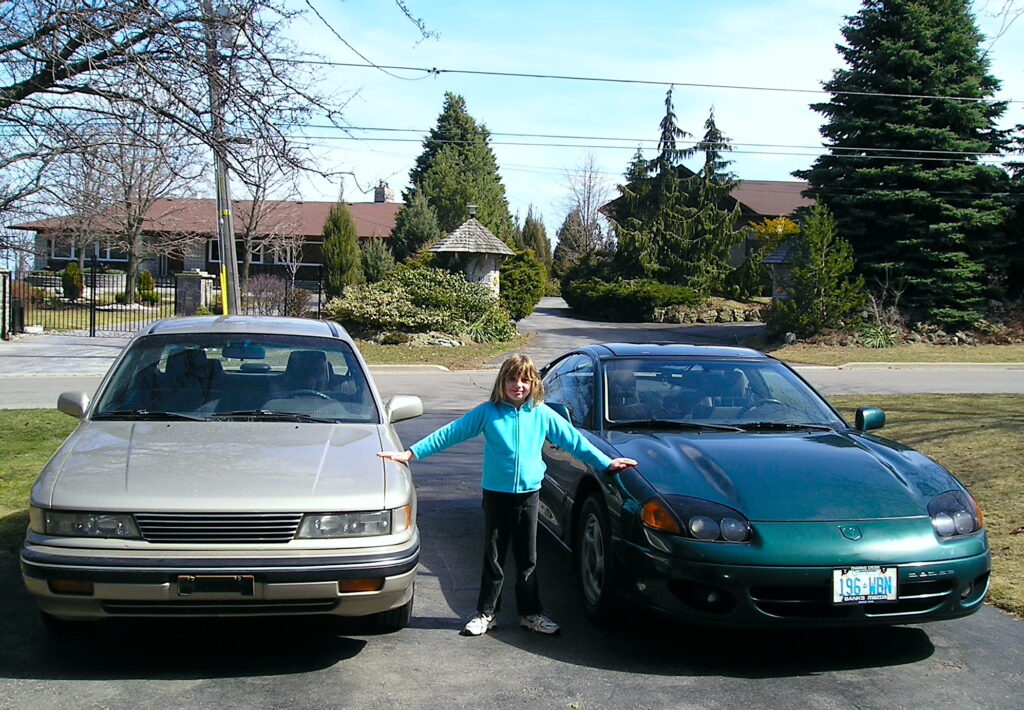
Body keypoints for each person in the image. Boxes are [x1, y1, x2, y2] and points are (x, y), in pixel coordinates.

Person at [378, 353, 637, 637]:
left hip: (528, 496)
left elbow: (576, 442)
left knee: (528, 559)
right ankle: (486, 613)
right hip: (496, 495)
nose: (518, 385)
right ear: (502, 382)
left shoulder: (542, 414)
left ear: (534, 383)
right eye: (512, 379)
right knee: (494, 557)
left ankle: (531, 613)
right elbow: (450, 433)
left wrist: (606, 463)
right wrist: (410, 454)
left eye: (525, 380)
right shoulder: (488, 412)